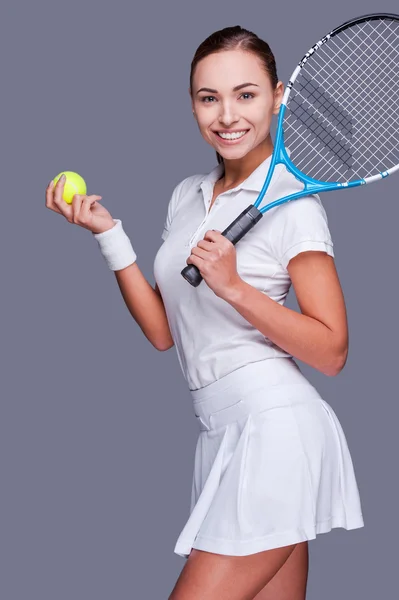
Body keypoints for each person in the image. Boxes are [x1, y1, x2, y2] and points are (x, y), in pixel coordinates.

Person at [45, 25, 365, 600]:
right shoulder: (189, 195)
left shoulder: (296, 204)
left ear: (278, 96)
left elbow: (333, 351)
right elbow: (167, 333)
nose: (227, 115)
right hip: (221, 431)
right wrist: (110, 235)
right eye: (208, 97)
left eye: (246, 94)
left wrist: (236, 287)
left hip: (276, 431)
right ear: (192, 103)